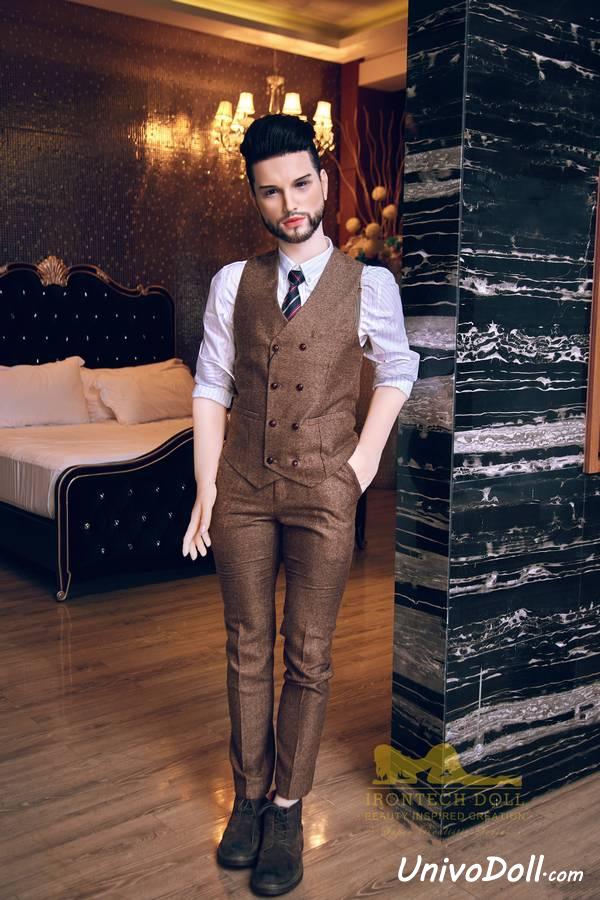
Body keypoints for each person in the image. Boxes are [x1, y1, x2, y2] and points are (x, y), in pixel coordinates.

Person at [182, 113, 420, 896]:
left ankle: (288, 808)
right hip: (243, 489)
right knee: (246, 644)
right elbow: (212, 385)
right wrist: (206, 488)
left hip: (325, 489)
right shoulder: (233, 282)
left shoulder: (369, 284)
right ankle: (248, 799)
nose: (290, 204)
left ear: (323, 182)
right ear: (254, 196)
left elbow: (398, 369)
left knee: (309, 653)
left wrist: (361, 464)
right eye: (271, 191)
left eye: (301, 184)